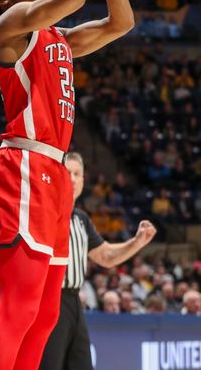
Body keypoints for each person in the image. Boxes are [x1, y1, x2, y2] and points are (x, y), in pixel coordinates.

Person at [0, 0, 134, 370]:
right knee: (21, 306)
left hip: (54, 177)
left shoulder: (59, 40)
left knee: (45, 315)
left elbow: (122, 22)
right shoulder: (7, 29)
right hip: (22, 164)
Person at [40, 152, 156, 370]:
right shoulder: (44, 212)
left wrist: (137, 242)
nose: (72, 179)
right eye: (67, 172)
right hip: (48, 299)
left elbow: (105, 256)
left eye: (78, 174)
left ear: (83, 181)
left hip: (74, 301)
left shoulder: (81, 219)